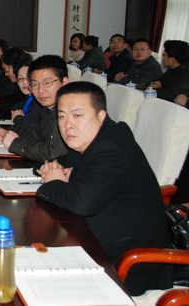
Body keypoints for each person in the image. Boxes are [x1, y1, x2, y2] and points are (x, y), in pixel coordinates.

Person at [36, 82, 172, 296]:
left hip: (126, 264)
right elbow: (63, 162)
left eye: (77, 115)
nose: (67, 124)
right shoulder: (94, 138)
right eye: (62, 116)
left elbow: (82, 203)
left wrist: (53, 183)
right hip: (97, 239)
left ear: (101, 116)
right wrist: (49, 168)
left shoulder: (110, 148)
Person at [0, 55, 70, 162]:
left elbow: (55, 154)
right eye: (35, 84)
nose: (40, 90)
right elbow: (35, 132)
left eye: (47, 83)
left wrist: (15, 144)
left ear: (65, 82)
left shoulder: (70, 113)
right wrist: (5, 132)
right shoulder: (48, 110)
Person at [0, 46, 28, 111]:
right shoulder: (18, 82)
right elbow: (13, 97)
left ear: (15, 65)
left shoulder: (28, 83)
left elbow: (22, 106)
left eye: (7, 70)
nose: (6, 74)